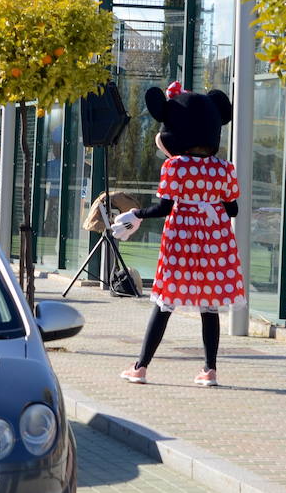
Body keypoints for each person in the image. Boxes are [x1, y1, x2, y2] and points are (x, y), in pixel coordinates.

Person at [111, 81, 242, 387]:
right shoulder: (224, 169)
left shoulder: (175, 167)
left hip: (182, 241)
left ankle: (140, 367)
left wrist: (135, 214)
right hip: (215, 241)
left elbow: (164, 208)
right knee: (209, 306)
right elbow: (233, 210)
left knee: (165, 303)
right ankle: (210, 371)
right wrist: (209, 204)